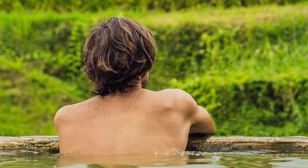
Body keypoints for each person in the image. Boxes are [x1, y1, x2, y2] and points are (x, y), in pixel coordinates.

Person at [54, 17, 215, 155]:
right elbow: (207, 127)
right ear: (146, 64)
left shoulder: (66, 118)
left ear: (91, 67)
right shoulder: (175, 104)